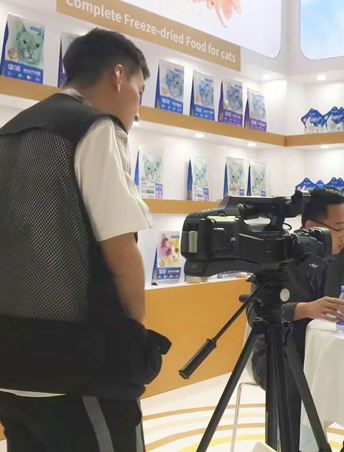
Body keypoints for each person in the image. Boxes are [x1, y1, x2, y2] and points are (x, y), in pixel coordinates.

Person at [0, 29, 170, 451]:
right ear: (118, 76)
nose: (138, 112)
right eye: (139, 91)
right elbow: (121, 253)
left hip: (11, 363)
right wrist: (134, 338)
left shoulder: (9, 133)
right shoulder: (93, 128)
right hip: (83, 367)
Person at [250, 187, 344, 452]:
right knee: (295, 387)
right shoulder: (278, 254)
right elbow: (255, 312)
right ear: (310, 227)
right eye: (338, 228)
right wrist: (304, 309)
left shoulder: (343, 253)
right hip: (279, 354)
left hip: (330, 352)